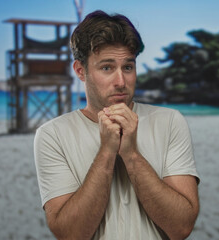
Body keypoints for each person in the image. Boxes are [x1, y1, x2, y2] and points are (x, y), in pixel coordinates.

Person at [34, 10, 200, 240]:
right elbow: (70, 234)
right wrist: (106, 151)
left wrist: (131, 154)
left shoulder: (170, 122)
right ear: (81, 71)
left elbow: (181, 227)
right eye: (107, 68)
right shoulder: (52, 135)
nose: (121, 81)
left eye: (128, 67)